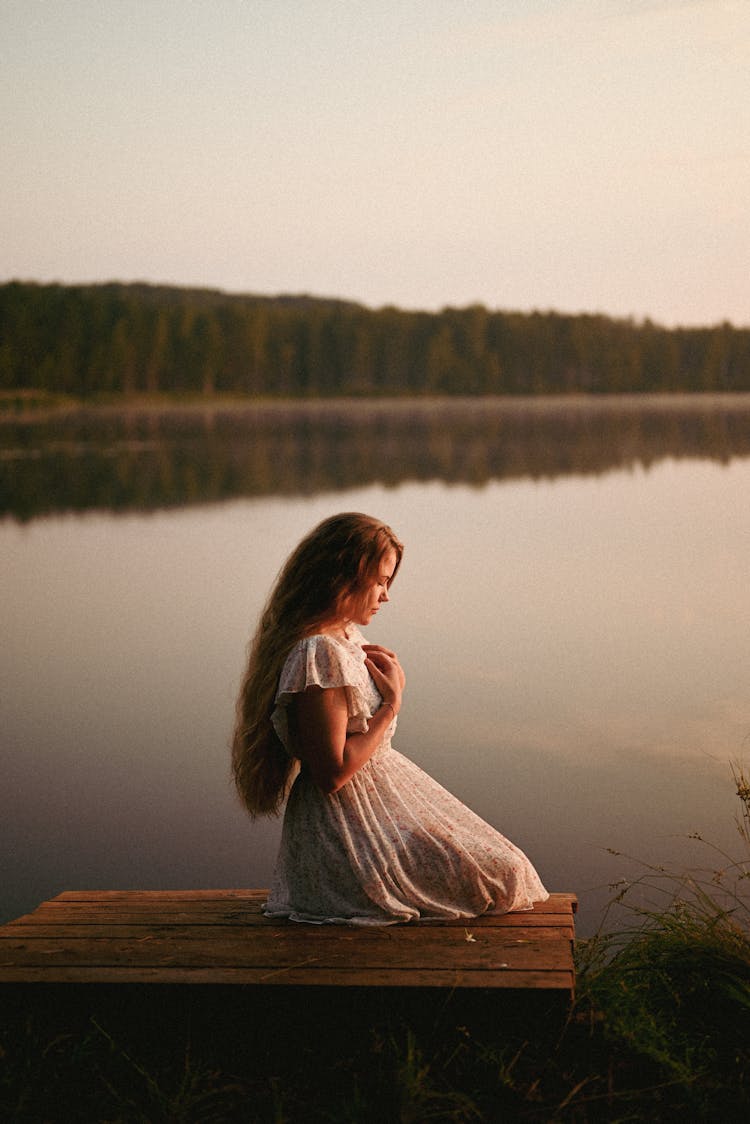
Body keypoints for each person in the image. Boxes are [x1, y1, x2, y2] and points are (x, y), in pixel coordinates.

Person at [232, 512, 548, 925]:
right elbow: (332, 773)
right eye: (380, 581)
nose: (386, 596)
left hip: (371, 813)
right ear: (343, 576)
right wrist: (391, 706)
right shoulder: (317, 653)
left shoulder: (343, 636)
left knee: (506, 869)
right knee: (501, 875)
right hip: (344, 830)